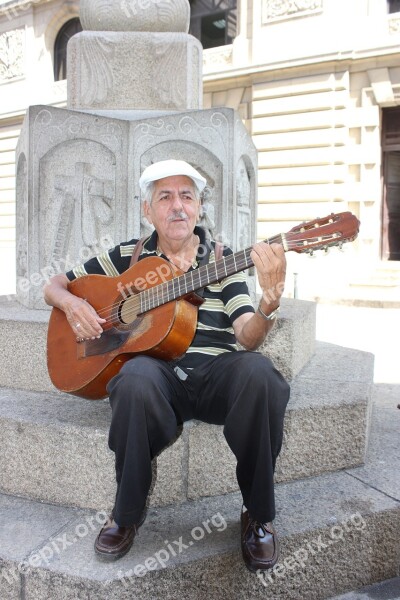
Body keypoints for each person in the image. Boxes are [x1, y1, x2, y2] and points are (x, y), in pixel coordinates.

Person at [43, 159, 290, 573]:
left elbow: (247, 334)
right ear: (148, 210)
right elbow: (55, 285)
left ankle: (258, 515)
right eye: (166, 196)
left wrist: (268, 303)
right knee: (133, 378)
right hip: (159, 381)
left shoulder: (221, 260)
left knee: (260, 373)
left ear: (198, 208)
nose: (178, 206)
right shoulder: (130, 255)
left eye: (187, 197)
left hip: (216, 378)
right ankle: (126, 514)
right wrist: (73, 304)